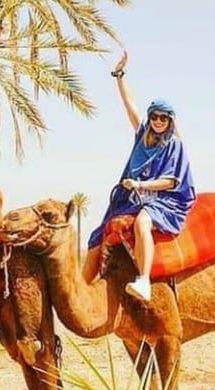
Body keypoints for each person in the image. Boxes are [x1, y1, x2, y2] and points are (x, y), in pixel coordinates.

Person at [83, 51, 196, 302]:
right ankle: (81, 289)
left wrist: (140, 184)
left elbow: (171, 181)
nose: (157, 121)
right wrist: (120, 76)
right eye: (154, 117)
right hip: (133, 197)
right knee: (98, 233)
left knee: (142, 223)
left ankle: (143, 280)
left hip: (165, 200)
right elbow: (130, 105)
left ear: (169, 121)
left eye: (162, 118)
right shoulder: (143, 137)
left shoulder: (173, 146)